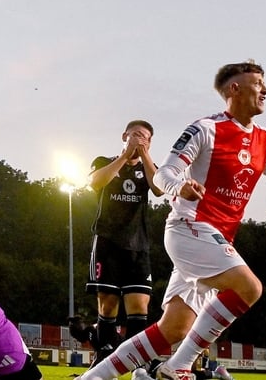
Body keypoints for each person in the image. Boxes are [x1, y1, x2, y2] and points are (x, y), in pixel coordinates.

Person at [78, 60, 266, 380]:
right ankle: (178, 366)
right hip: (189, 227)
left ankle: (92, 378)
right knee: (250, 287)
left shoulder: (263, 139)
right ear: (234, 88)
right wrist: (180, 187)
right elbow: (164, 174)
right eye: (258, 83)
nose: (264, 90)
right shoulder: (206, 128)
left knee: (173, 328)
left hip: (215, 239)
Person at [71, 120, 163, 367]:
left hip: (138, 245)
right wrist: (125, 155)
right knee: (108, 302)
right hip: (108, 242)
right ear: (124, 136)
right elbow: (95, 182)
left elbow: (159, 189)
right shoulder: (105, 161)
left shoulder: (150, 168)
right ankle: (103, 356)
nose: (139, 140)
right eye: (135, 135)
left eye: (145, 137)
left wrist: (145, 155)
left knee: (139, 304)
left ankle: (136, 363)